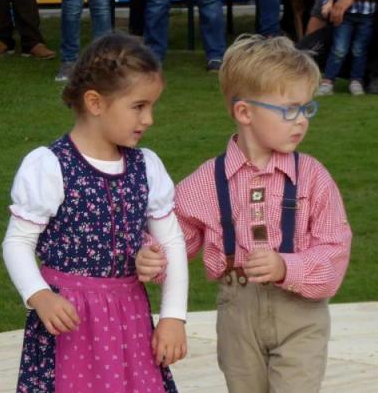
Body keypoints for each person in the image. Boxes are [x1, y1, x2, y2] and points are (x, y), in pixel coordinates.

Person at [135, 34, 353, 393]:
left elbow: (335, 251)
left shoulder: (313, 177)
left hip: (301, 315)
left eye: (306, 108)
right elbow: (173, 238)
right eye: (290, 109)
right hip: (237, 313)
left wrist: (287, 267)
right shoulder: (207, 181)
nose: (301, 120)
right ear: (244, 112)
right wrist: (150, 256)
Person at [1, 34, 189, 391]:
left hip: (130, 316)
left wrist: (173, 318)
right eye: (138, 106)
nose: (148, 119)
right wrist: (39, 295)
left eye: (152, 107)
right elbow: (18, 241)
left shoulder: (146, 167)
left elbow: (173, 243)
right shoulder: (49, 166)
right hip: (68, 319)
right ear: (95, 103)